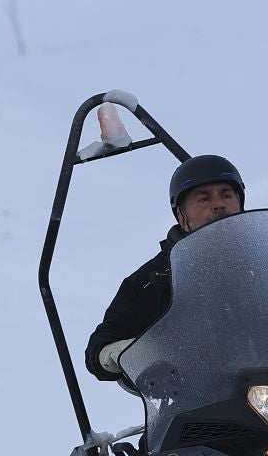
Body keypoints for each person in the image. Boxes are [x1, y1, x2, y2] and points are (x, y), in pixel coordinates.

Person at [84, 154, 245, 381]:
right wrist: (122, 351)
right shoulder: (155, 278)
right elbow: (101, 346)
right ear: (182, 217)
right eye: (203, 198)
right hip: (195, 399)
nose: (219, 204)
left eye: (226, 195)